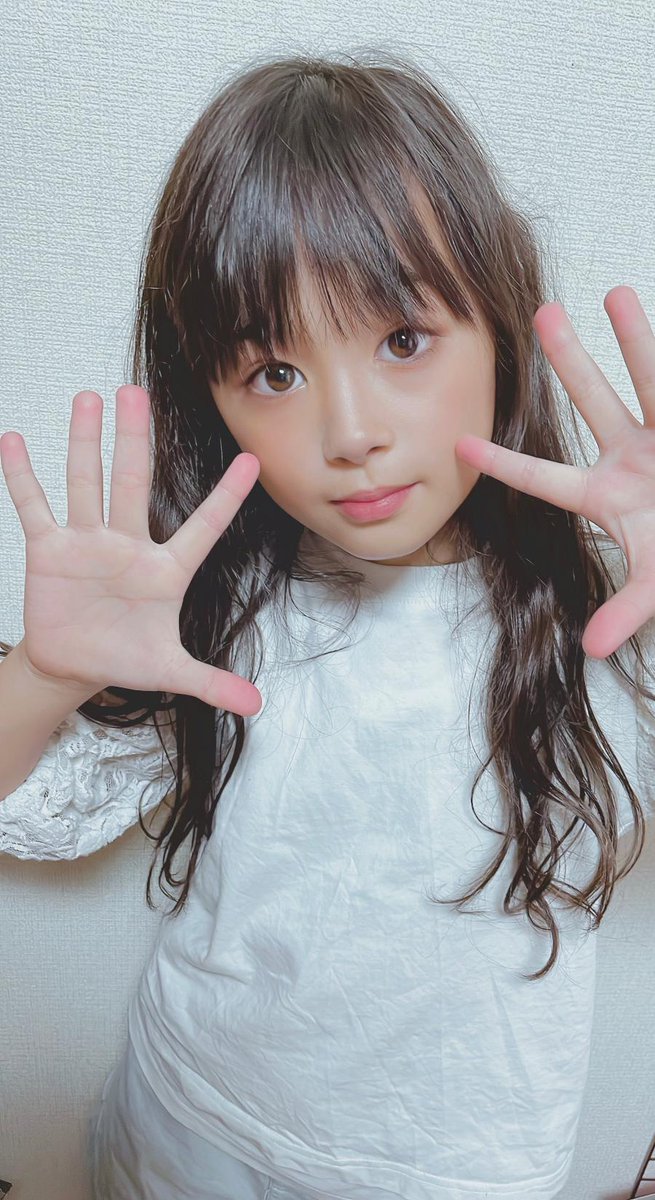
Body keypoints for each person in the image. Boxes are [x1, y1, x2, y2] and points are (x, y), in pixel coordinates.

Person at [0, 48, 654, 1200]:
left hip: (454, 1170)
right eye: (273, 371)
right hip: (192, 1122)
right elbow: (32, 813)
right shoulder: (222, 605)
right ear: (210, 395)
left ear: (499, 330)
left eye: (402, 341)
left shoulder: (604, 608)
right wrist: (45, 674)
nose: (350, 432)